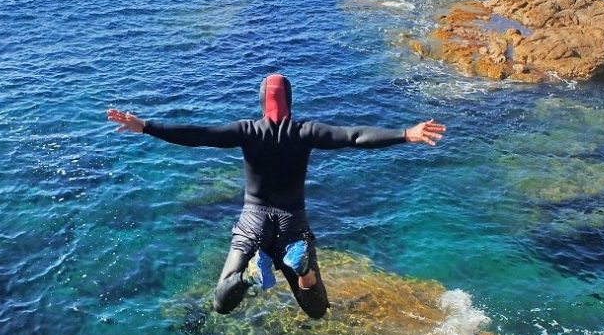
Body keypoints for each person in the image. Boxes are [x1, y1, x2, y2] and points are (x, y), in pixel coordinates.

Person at [107, 74, 445, 319]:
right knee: (316, 309)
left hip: (253, 221)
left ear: (261, 100)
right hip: (292, 223)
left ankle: (252, 275)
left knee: (222, 302)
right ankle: (304, 270)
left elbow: (199, 135)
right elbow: (354, 136)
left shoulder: (247, 131)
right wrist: (405, 134)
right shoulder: (305, 132)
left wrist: (146, 126)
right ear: (291, 101)